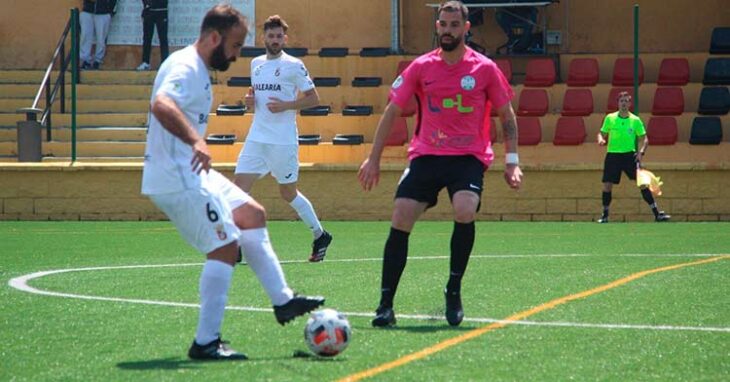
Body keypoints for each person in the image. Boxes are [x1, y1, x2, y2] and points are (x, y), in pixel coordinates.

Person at [141, 4, 324, 361]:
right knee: (225, 246)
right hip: (175, 177)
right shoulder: (184, 66)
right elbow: (161, 104)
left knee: (252, 214)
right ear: (214, 38)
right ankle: (205, 342)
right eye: (236, 46)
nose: (239, 55)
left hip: (192, 171)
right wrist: (195, 140)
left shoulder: (199, 68)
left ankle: (283, 301)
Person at [358, 0, 523, 328]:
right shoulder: (420, 66)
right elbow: (391, 110)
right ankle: (385, 304)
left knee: (465, 209)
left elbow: (507, 116)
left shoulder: (484, 68)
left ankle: (453, 288)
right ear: (437, 28)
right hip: (426, 155)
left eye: (453, 25)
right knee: (401, 216)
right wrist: (372, 159)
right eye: (442, 25)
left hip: (468, 157)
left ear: (466, 28)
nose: (447, 30)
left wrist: (512, 162)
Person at [234, 15, 333, 263]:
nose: (275, 40)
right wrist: (249, 102)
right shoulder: (255, 63)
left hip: (283, 141)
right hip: (257, 138)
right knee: (237, 190)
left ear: (284, 39)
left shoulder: (294, 65)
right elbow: (255, 95)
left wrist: (288, 104)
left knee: (288, 193)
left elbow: (313, 98)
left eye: (279, 36)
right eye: (271, 36)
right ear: (263, 38)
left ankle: (320, 234)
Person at [597, 91, 671, 223]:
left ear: (630, 103)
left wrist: (641, 152)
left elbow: (645, 139)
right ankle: (605, 215)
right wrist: (601, 139)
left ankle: (657, 213)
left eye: (626, 101)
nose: (624, 103)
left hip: (629, 156)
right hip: (613, 156)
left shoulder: (635, 120)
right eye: (621, 101)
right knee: (607, 185)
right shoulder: (610, 118)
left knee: (642, 184)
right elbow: (601, 133)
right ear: (618, 103)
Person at [80, 0, 118, 70]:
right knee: (85, 36)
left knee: (101, 39)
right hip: (88, 10)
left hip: (104, 11)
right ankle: (85, 60)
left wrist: (111, 10)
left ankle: (97, 61)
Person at [136, 0, 169, 71]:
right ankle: (145, 62)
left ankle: (165, 63)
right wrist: (147, 5)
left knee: (163, 38)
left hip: (161, 11)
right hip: (149, 11)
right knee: (147, 38)